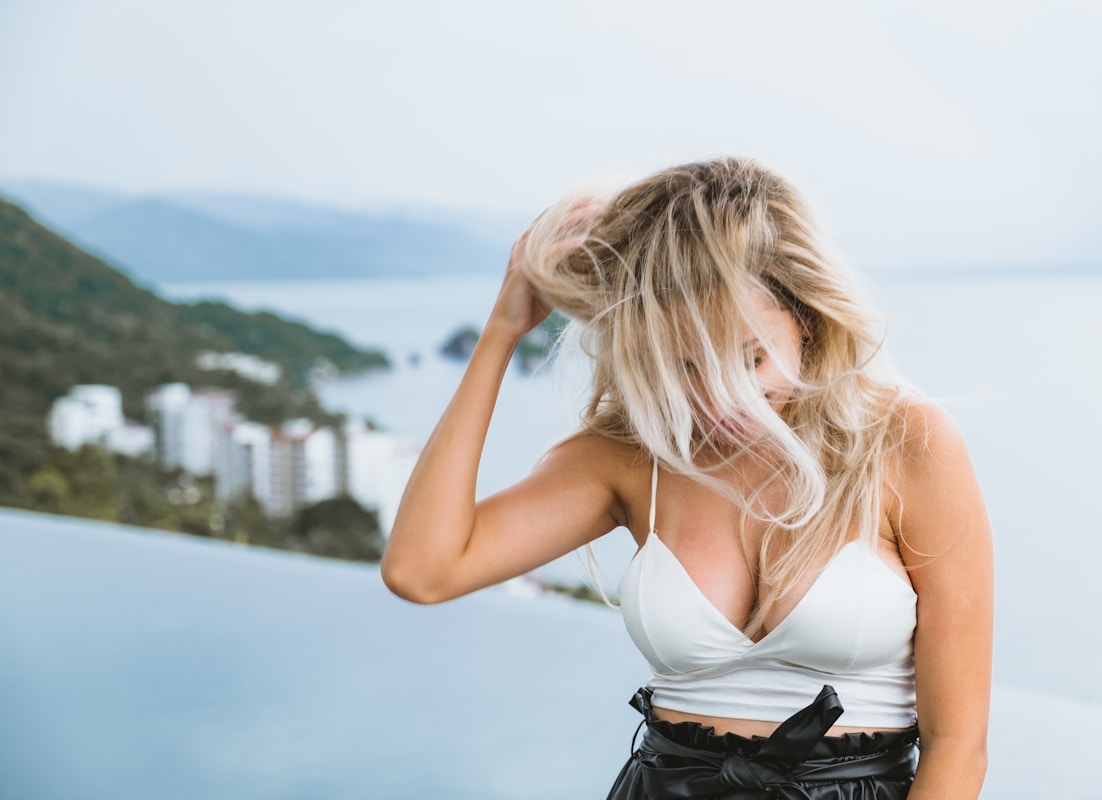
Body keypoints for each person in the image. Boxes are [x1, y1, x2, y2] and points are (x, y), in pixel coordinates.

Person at [381, 157, 993, 799]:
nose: (722, 403)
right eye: (685, 368)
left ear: (807, 319)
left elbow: (959, 746)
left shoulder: (904, 443)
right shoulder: (632, 457)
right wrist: (500, 333)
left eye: (750, 360)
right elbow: (423, 571)